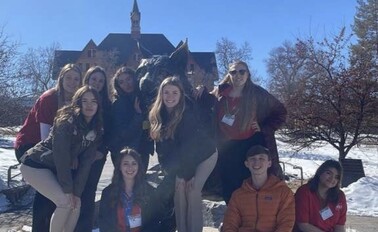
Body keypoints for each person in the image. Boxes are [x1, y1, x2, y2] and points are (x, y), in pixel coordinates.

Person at [19, 85, 103, 232]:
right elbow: (61, 156)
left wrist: (76, 193)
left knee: (76, 204)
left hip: (52, 168)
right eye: (85, 101)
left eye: (94, 101)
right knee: (64, 202)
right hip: (35, 165)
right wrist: (68, 190)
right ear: (78, 102)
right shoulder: (66, 121)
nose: (89, 105)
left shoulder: (95, 129)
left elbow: (86, 164)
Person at [203, 60, 287, 204]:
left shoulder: (257, 93)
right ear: (229, 74)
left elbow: (281, 112)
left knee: (249, 185)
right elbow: (202, 102)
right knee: (229, 186)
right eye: (233, 72)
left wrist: (264, 126)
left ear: (248, 74)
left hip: (250, 145)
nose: (238, 75)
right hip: (226, 147)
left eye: (242, 71)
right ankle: (233, 219)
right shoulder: (220, 93)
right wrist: (200, 90)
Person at [14, 63, 82, 232]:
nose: (72, 82)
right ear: (61, 79)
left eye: (76, 79)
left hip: (54, 149)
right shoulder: (49, 98)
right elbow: (46, 139)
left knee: (55, 192)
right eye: (68, 78)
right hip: (31, 147)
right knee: (48, 191)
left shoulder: (76, 102)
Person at [149, 76, 218, 232]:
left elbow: (190, 148)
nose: (170, 97)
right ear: (161, 94)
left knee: (192, 189)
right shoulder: (157, 116)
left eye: (175, 92)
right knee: (179, 190)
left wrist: (187, 175)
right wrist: (175, 173)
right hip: (182, 161)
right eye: (166, 92)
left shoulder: (187, 113)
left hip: (204, 156)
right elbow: (162, 151)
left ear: (181, 95)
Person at [222, 145, 295, 232]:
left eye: (261, 158)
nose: (257, 163)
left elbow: (286, 223)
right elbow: (230, 224)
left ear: (269, 163)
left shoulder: (283, 192)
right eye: (253, 159)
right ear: (247, 164)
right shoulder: (238, 195)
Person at [76, 66, 111, 232]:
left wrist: (102, 151)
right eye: (94, 79)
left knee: (89, 192)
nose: (97, 83)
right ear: (87, 80)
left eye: (101, 81)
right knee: (74, 192)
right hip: (76, 155)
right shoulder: (78, 100)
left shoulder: (108, 106)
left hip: (96, 156)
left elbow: (111, 132)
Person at [98, 147, 163, 232]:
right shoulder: (108, 193)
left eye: (134, 163)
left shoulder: (149, 191)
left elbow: (154, 222)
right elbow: (104, 224)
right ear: (119, 167)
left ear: (139, 166)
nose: (130, 167)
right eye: (125, 164)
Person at [108, 67, 150, 171]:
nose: (126, 84)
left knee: (140, 184)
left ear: (134, 78)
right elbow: (123, 133)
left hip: (142, 149)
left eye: (128, 79)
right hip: (124, 152)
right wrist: (138, 115)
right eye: (121, 82)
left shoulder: (142, 98)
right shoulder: (119, 103)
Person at [294, 160, 347, 232]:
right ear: (320, 172)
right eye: (329, 173)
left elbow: (340, 226)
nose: (332, 178)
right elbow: (303, 225)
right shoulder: (305, 192)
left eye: (336, 177)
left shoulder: (340, 196)